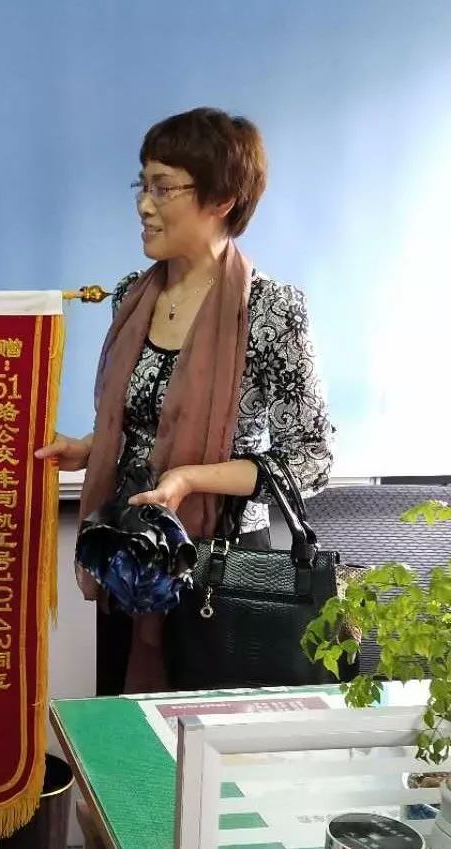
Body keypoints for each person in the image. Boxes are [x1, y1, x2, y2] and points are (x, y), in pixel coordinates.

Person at [36, 107, 334, 695]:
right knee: (125, 732)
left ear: (221, 200)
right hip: (129, 555)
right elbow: (146, 422)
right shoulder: (133, 296)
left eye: (163, 187)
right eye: (141, 185)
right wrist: (90, 448)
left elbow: (312, 459)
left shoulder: (271, 310)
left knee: (203, 736)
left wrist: (191, 478)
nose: (143, 205)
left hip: (221, 568)